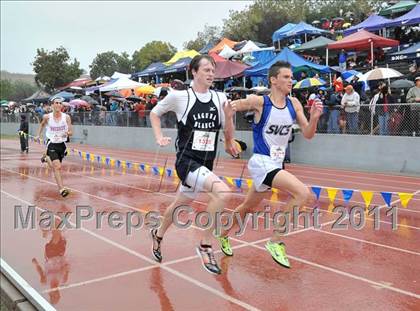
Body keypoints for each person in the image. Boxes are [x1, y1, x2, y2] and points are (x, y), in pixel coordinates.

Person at [215, 61, 323, 268]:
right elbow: (229, 108)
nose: (291, 80)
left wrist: (315, 118)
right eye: (286, 77)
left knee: (247, 206)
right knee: (302, 193)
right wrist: (229, 137)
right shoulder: (260, 102)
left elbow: (308, 134)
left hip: (276, 163)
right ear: (273, 80)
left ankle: (223, 234)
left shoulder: (295, 104)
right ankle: (275, 241)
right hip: (261, 161)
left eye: (292, 77)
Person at [149, 54, 238, 275]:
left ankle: (158, 234)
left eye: (213, 70)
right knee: (223, 193)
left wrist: (229, 132)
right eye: (206, 69)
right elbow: (155, 113)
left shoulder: (220, 98)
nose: (211, 74)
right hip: (186, 161)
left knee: (179, 205)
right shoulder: (180, 97)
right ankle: (205, 245)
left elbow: (228, 131)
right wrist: (159, 136)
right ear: (194, 72)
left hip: (206, 163)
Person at [35, 97, 72, 197]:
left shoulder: (66, 117)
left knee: (54, 166)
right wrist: (38, 135)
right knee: (57, 166)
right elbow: (42, 125)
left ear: (61, 106)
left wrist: (67, 133)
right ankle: (61, 189)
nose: (58, 105)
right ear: (52, 105)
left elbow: (71, 132)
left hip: (62, 145)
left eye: (60, 103)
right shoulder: (47, 117)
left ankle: (46, 158)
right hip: (51, 143)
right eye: (56, 103)